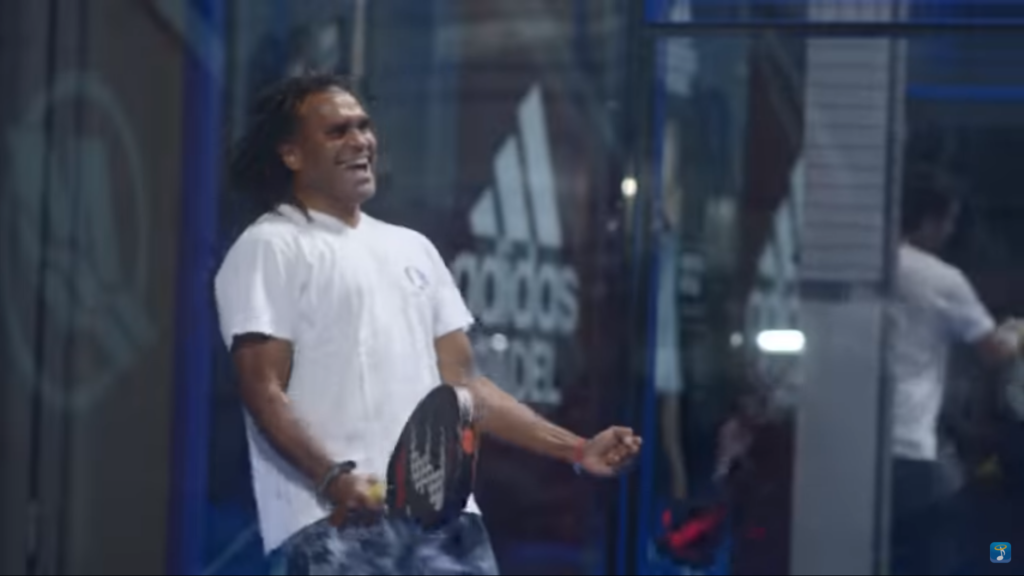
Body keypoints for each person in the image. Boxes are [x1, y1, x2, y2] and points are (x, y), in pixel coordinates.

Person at [214, 72, 642, 575]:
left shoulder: (414, 248)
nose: (360, 141)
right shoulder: (270, 245)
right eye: (337, 131)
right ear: (291, 154)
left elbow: (466, 387)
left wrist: (577, 448)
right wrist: (332, 479)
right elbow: (263, 389)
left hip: (448, 526)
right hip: (334, 524)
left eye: (364, 126)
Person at [888, 169, 1021, 575]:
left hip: (854, 445)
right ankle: (999, 561)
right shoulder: (941, 280)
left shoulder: (866, 269)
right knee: (958, 535)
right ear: (929, 220)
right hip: (911, 445)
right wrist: (1017, 334)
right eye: (948, 222)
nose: (949, 232)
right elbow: (994, 351)